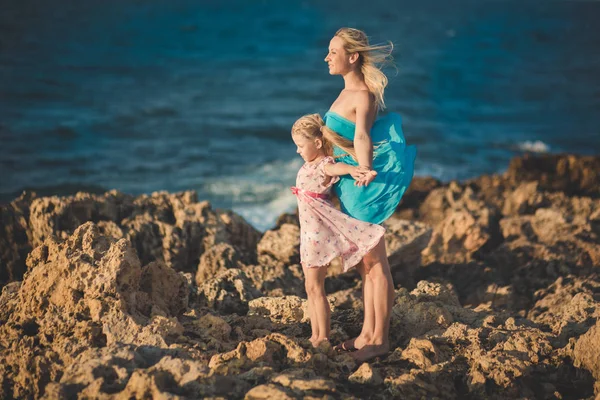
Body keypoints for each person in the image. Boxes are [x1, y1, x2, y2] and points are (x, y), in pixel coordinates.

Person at [322, 27, 417, 362]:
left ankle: (380, 340)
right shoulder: (348, 92)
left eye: (334, 52)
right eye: (329, 51)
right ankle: (367, 334)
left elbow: (362, 136)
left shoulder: (362, 95)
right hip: (349, 186)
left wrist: (363, 168)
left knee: (376, 263)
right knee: (368, 264)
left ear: (353, 56)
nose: (327, 57)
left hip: (362, 188)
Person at [290, 113, 385, 348]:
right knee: (311, 287)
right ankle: (316, 334)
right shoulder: (309, 164)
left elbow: (337, 168)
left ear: (318, 143)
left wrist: (353, 171)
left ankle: (321, 337)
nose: (298, 151)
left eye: (301, 146)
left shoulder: (324, 164)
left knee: (315, 285)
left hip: (318, 237)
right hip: (308, 234)